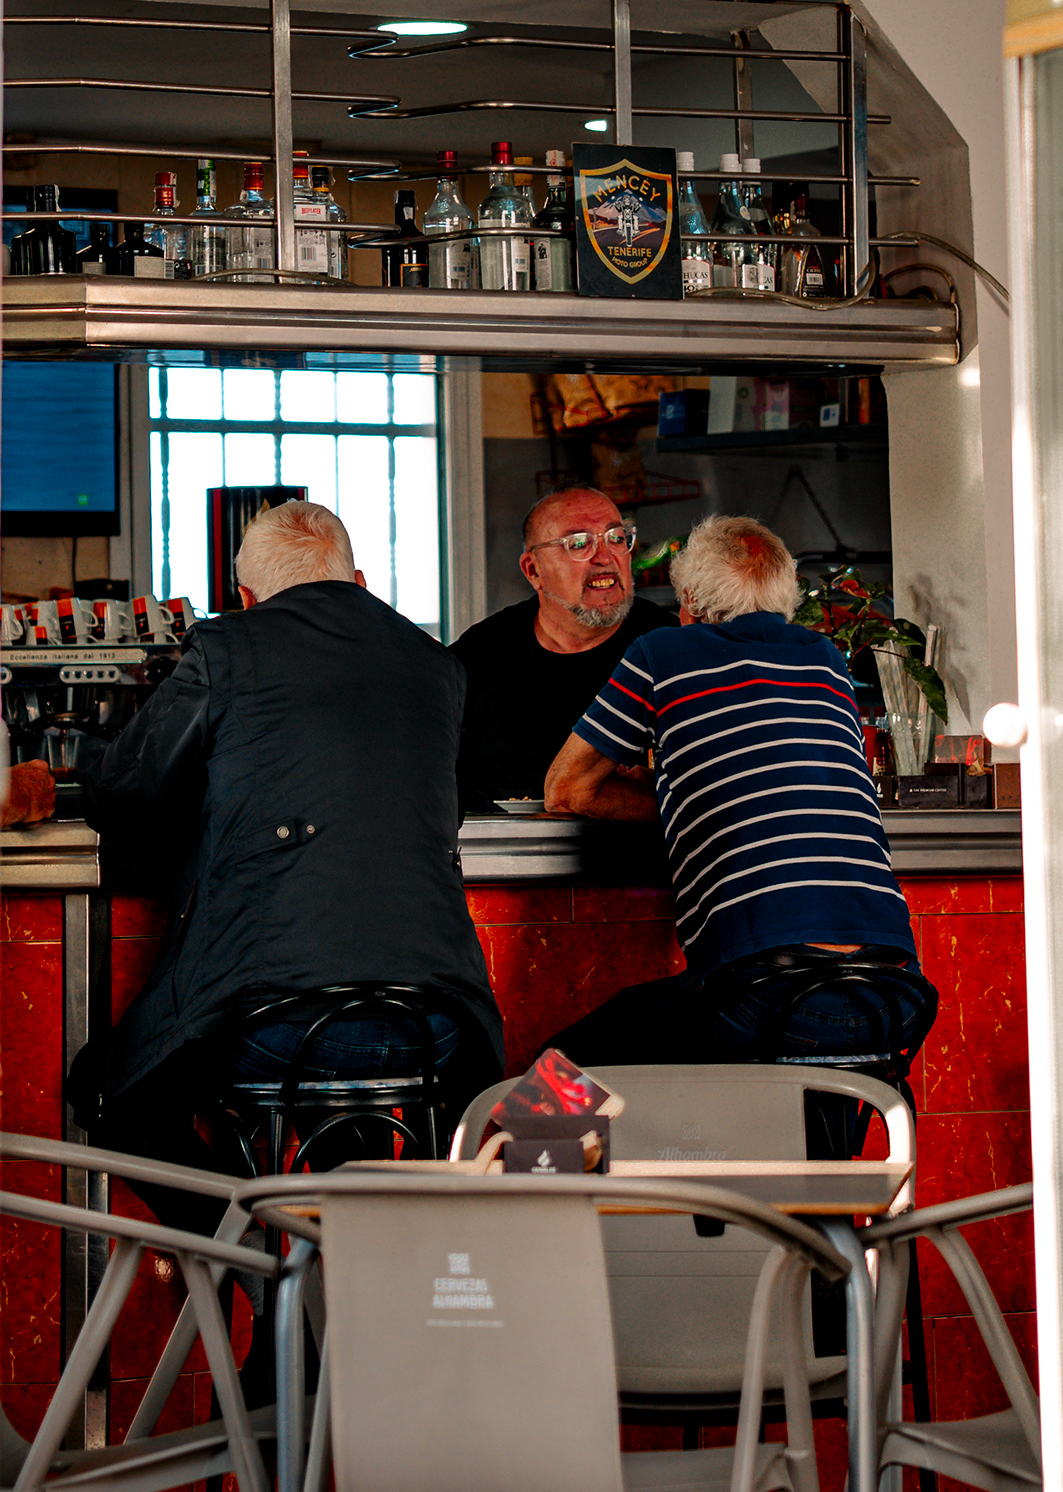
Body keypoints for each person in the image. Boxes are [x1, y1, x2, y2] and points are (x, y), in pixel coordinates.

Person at [70, 498, 504, 1208]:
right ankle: (343, 1257)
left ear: (246, 597)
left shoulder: (226, 648)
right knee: (339, 1106)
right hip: (441, 1028)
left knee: (108, 1089)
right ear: (358, 582)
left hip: (277, 1023)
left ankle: (242, 1250)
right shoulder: (439, 666)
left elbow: (122, 795)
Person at [542, 513, 937, 1069]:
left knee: (568, 1065)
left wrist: (676, 797)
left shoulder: (660, 654)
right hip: (894, 997)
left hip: (767, 999)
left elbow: (567, 789)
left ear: (689, 601)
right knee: (809, 1076)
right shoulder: (826, 661)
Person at [451, 488, 668, 808]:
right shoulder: (476, 658)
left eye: (616, 538)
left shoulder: (670, 648)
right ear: (533, 570)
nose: (605, 558)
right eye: (578, 544)